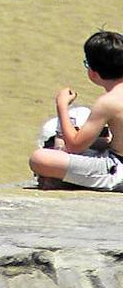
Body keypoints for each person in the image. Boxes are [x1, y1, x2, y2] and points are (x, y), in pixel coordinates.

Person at [30, 31, 123, 191]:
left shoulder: (108, 102)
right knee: (96, 142)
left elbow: (74, 146)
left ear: (93, 73)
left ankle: (68, 180)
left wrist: (62, 106)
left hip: (117, 170)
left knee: (39, 158)